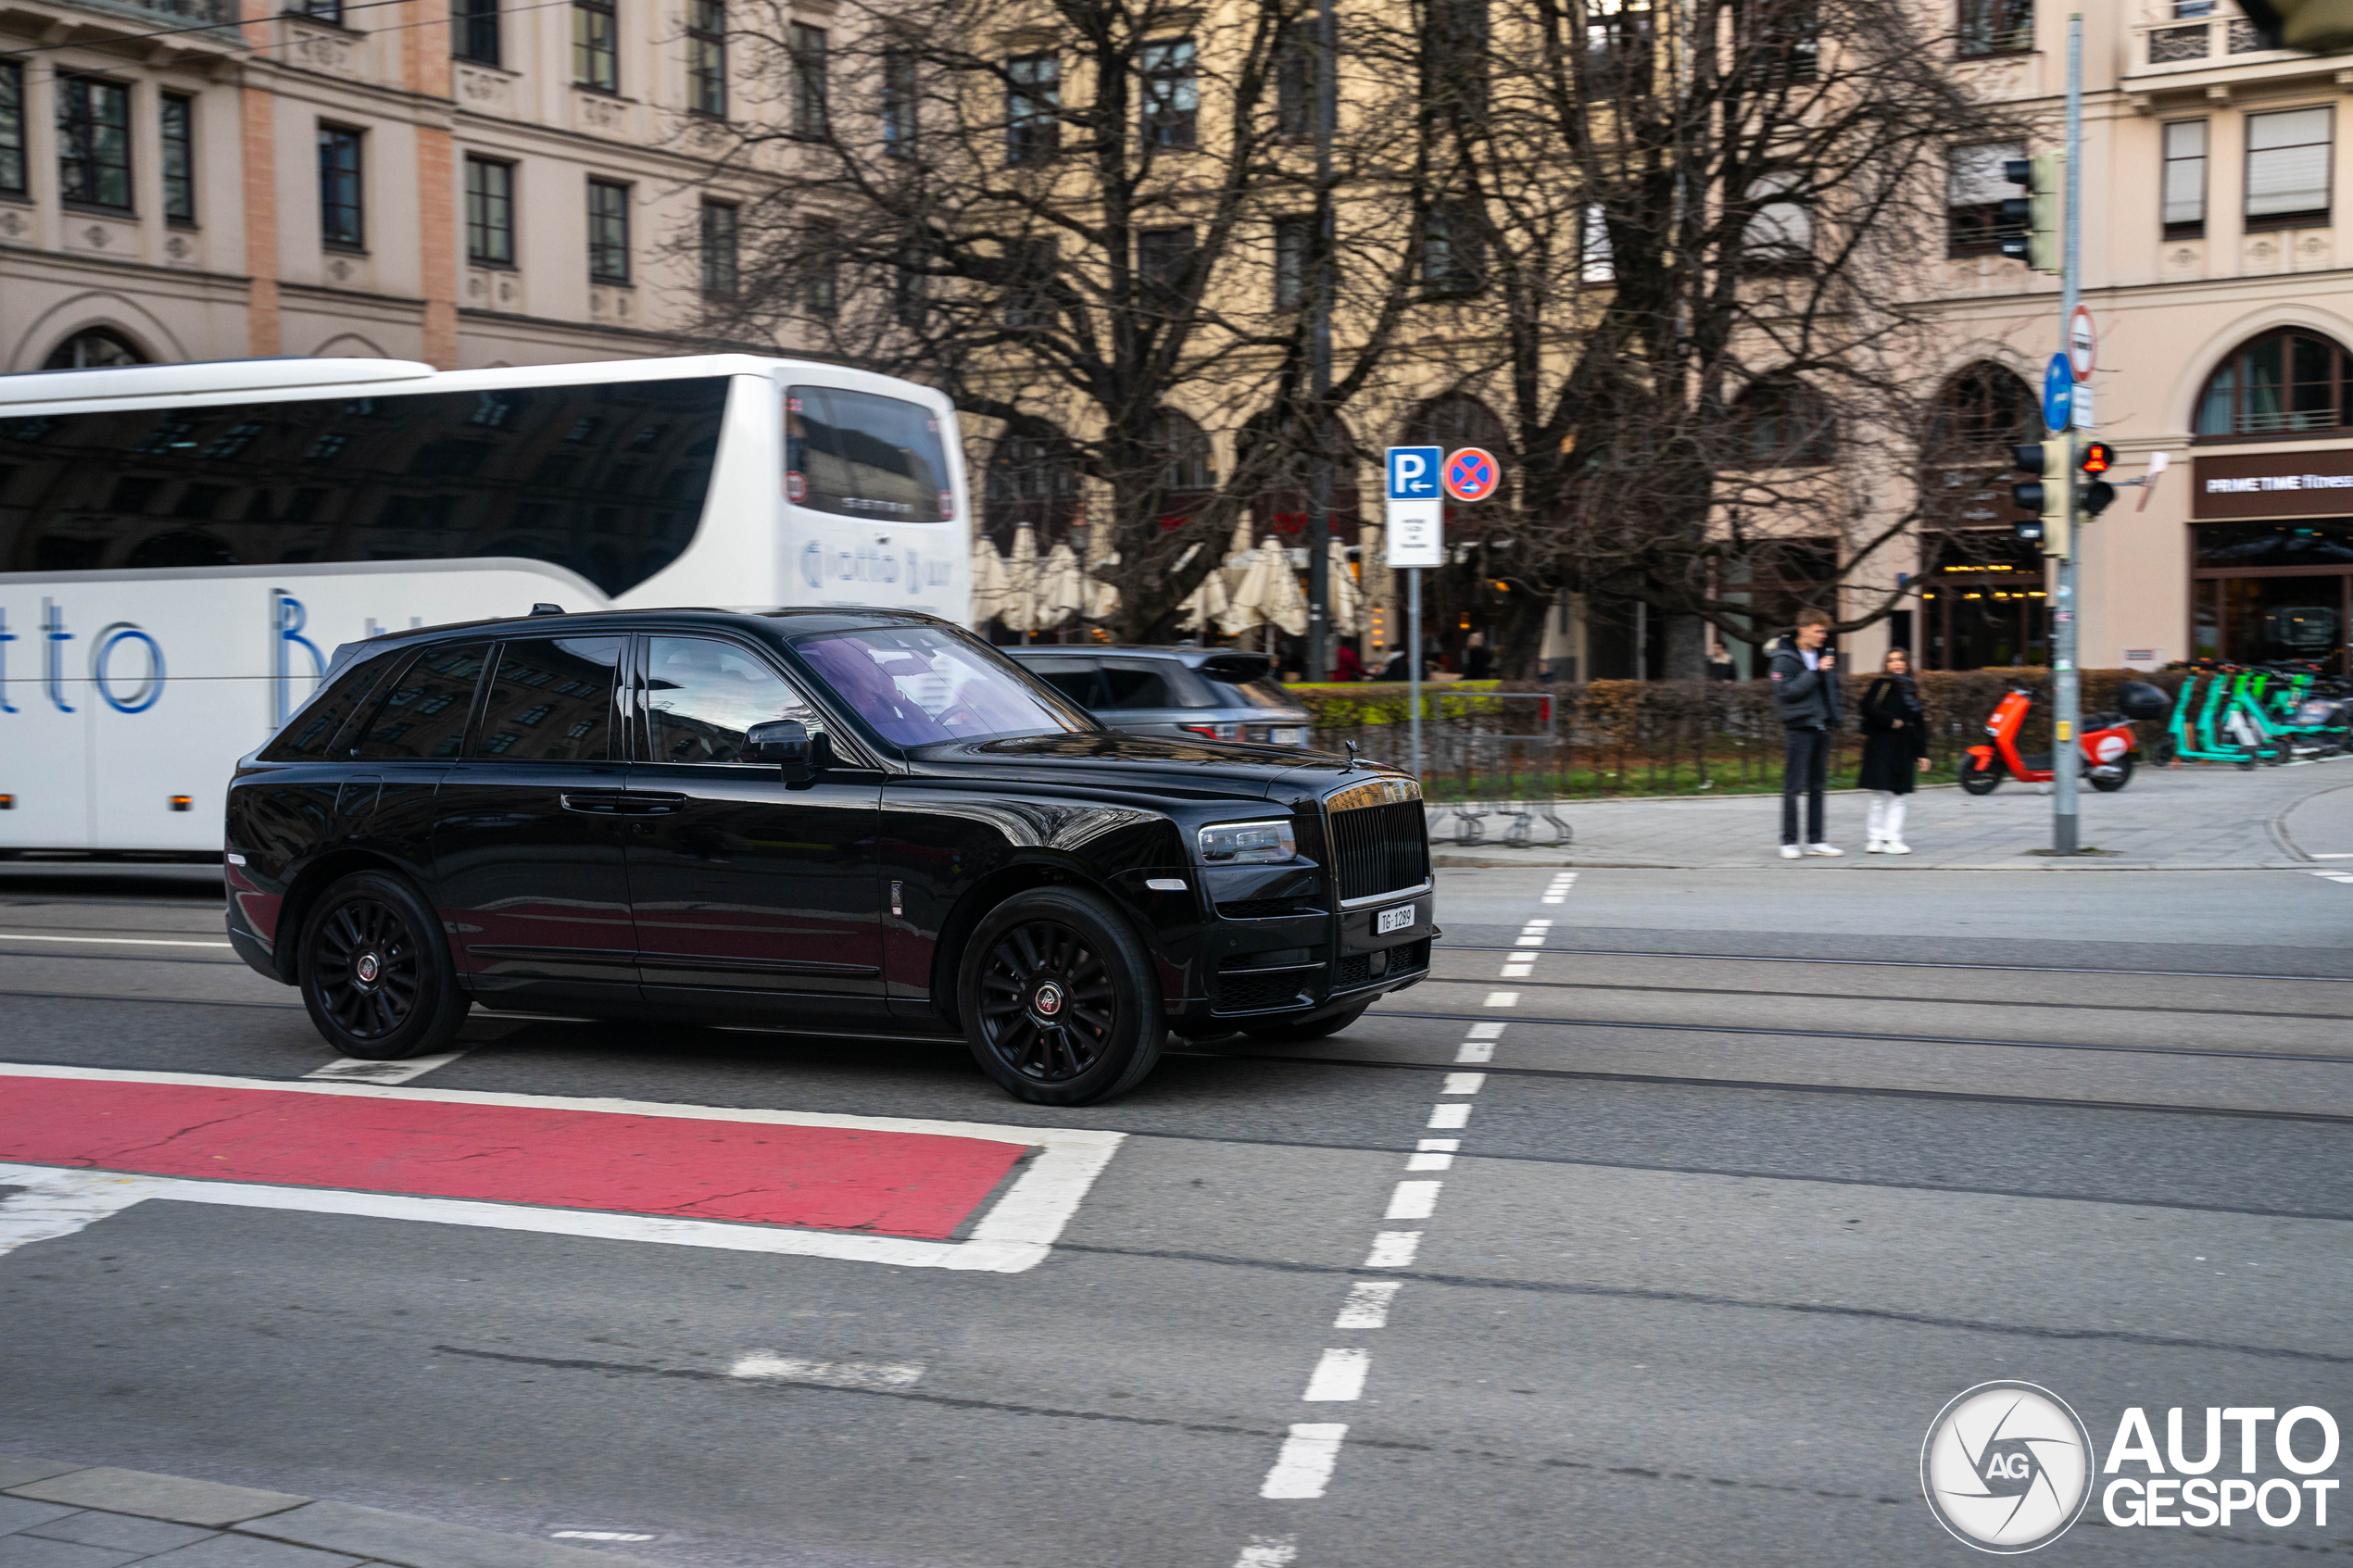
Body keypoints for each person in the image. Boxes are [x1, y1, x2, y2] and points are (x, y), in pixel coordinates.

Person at [1768, 608, 1842, 859]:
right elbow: (1786, 692)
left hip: (1821, 726)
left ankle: (1816, 840)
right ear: (1803, 630)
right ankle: (1789, 842)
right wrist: (1815, 672)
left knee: (1818, 786)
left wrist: (1835, 716)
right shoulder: (1784, 658)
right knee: (1794, 787)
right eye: (1818, 630)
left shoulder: (1822, 655)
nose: (1823, 635)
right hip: (1799, 727)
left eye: (1824, 631)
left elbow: (1831, 689)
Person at [1857, 646, 1929, 854]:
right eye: (1891, 660)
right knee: (1879, 794)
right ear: (1886, 664)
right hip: (1881, 744)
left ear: (1907, 663)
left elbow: (1918, 724)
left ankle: (1894, 839)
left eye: (1900, 660)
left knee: (1899, 796)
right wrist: (1890, 721)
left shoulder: (1913, 688)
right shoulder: (1881, 684)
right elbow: (1867, 707)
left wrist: (1922, 754)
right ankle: (1875, 838)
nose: (1896, 664)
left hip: (1904, 747)